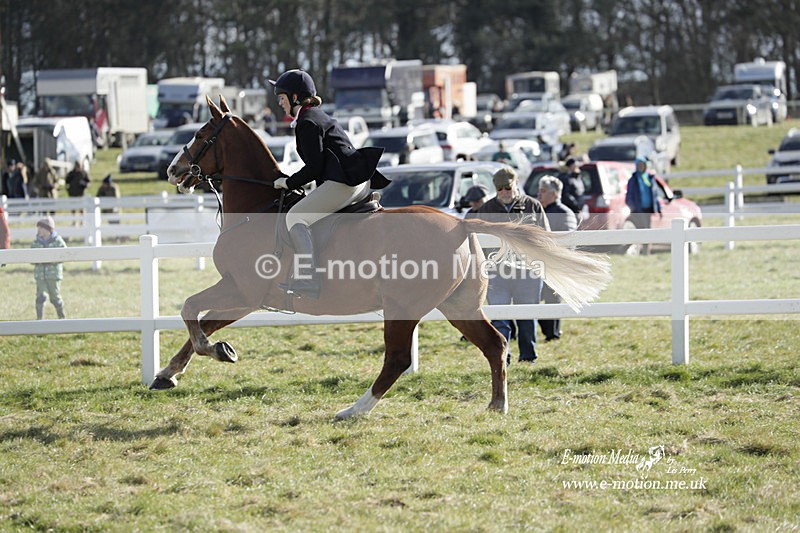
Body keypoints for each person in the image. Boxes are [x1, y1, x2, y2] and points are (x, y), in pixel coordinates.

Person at [269, 69, 389, 299]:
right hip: (357, 181)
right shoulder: (316, 116)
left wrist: (288, 182)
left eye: (282, 98)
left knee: (295, 217)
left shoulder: (307, 121)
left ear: (295, 97)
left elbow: (314, 166)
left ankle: (308, 278)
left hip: (345, 183)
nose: (280, 103)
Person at [476, 167, 550, 365]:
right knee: (499, 317)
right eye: (499, 189)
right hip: (497, 272)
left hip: (528, 271)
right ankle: (502, 357)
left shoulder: (532, 206)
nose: (504, 192)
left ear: (515, 184)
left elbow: (546, 237)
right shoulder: (486, 209)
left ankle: (528, 357)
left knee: (527, 316)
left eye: (507, 188)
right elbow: (478, 243)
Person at [537, 175, 577, 342]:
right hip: (538, 263)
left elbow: (568, 242)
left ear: (554, 194)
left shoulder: (564, 213)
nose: (539, 194)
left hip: (555, 265)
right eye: (539, 191)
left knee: (552, 298)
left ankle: (553, 333)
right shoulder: (539, 211)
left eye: (543, 191)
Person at [32, 216, 67, 320]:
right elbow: (30, 256)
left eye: (41, 228)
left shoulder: (57, 242)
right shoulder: (36, 243)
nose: (39, 230)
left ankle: (62, 318)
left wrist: (52, 260)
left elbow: (64, 254)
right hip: (40, 275)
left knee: (55, 297)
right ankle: (39, 320)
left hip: (53, 275)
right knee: (40, 297)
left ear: (48, 229)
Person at [625, 156, 662, 230]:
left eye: (643, 165)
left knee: (648, 228)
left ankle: (648, 241)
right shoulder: (633, 180)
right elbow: (629, 196)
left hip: (648, 209)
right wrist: (634, 209)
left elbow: (654, 195)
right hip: (638, 210)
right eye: (639, 165)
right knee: (642, 228)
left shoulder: (650, 178)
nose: (641, 167)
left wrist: (658, 209)